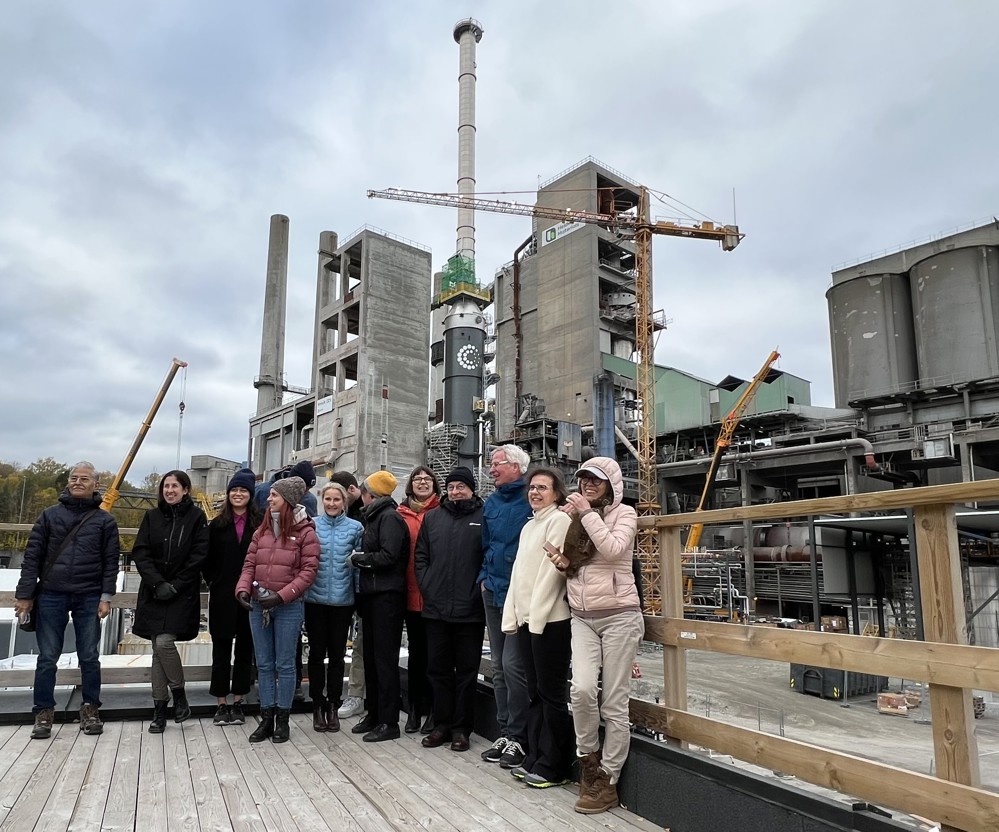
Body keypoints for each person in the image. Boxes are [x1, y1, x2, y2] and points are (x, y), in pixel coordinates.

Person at [557, 457, 641, 813]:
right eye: (583, 479)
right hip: (582, 616)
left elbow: (613, 549)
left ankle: (607, 780)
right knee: (582, 689)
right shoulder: (576, 515)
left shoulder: (626, 514)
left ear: (612, 484)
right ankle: (588, 763)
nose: (588, 484)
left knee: (614, 703)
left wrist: (587, 513)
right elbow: (580, 562)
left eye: (596, 479)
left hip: (620, 615)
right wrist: (564, 563)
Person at [14, 462, 120, 739]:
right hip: (51, 593)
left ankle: (90, 709)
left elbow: (111, 562)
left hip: (88, 594)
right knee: (47, 657)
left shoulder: (105, 521)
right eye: (74, 478)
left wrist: (106, 597)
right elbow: (32, 557)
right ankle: (43, 713)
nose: (78, 482)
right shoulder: (49, 516)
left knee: (89, 656)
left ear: (95, 484)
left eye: (84, 479)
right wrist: (25, 594)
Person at [502, 468, 574, 788]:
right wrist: (514, 615)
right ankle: (534, 754)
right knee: (534, 693)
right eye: (532, 487)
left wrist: (537, 616)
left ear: (557, 493)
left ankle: (554, 764)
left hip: (550, 621)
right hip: (529, 621)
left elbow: (551, 574)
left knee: (551, 694)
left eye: (543, 488)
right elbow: (519, 574)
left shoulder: (559, 521)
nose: (535, 492)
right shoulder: (530, 525)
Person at [236, 476, 318, 743]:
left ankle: (283, 719)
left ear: (288, 500)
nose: (268, 499)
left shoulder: (306, 532)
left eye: (274, 495)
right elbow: (250, 564)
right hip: (259, 605)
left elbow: (308, 572)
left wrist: (282, 596)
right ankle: (266, 718)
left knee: (284, 664)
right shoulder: (261, 531)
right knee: (264, 664)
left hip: (288, 607)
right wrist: (243, 589)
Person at [132, 470, 210, 733]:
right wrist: (157, 583)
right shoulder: (152, 517)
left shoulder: (197, 518)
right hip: (154, 592)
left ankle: (177, 695)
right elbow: (140, 551)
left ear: (186, 489)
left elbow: (199, 554)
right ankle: (161, 708)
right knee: (157, 648)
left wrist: (175, 585)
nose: (170, 490)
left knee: (163, 643)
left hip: (181, 592)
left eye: (175, 485)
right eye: (166, 486)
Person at [415, 467, 485, 753]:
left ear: (471, 489)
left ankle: (461, 729)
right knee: (438, 670)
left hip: (470, 610)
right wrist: (427, 586)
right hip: (436, 608)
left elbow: (487, 556)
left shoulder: (483, 517)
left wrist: (476, 591)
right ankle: (441, 724)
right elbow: (421, 557)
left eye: (461, 487)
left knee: (467, 672)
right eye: (452, 487)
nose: (456, 492)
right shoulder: (433, 518)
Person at [478, 444, 533, 769]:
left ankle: (520, 738)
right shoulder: (493, 502)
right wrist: (484, 577)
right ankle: (505, 732)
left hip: (521, 594)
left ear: (516, 466)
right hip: (493, 591)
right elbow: (486, 544)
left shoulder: (532, 497)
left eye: (497, 464)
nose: (491, 469)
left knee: (514, 666)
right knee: (498, 666)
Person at [349, 471, 410, 742]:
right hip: (372, 595)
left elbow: (389, 556)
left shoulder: (390, 519)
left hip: (387, 597)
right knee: (372, 658)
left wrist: (359, 559)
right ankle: (374, 713)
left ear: (369, 493)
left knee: (384, 660)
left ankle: (389, 721)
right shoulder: (375, 516)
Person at [203, 468, 262, 727]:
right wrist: (215, 580)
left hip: (250, 595)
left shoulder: (260, 524)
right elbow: (207, 560)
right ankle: (221, 702)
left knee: (245, 649)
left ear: (250, 494)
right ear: (228, 494)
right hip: (222, 595)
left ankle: (238, 700)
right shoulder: (216, 525)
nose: (238, 494)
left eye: (243, 490)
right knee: (221, 649)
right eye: (234, 490)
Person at [303, 482, 363, 732]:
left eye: (336, 499)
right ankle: (317, 704)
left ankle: (333, 705)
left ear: (344, 502)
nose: (331, 504)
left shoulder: (355, 528)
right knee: (316, 655)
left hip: (342, 602)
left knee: (337, 656)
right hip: (314, 600)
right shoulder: (312, 525)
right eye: (327, 499)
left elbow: (358, 565)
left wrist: (359, 598)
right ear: (322, 500)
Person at [397, 466, 441, 733]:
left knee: (436, 657)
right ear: (410, 485)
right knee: (416, 656)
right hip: (410, 592)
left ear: (435, 486)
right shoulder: (400, 515)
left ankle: (435, 710)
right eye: (417, 479)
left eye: (427, 479)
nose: (422, 482)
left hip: (436, 595)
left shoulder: (442, 512)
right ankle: (414, 708)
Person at [329, 471, 367, 721]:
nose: (334, 502)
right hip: (334, 594)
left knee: (361, 647)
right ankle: (336, 698)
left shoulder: (365, 517)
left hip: (359, 592)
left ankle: (357, 695)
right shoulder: (328, 521)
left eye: (339, 497)